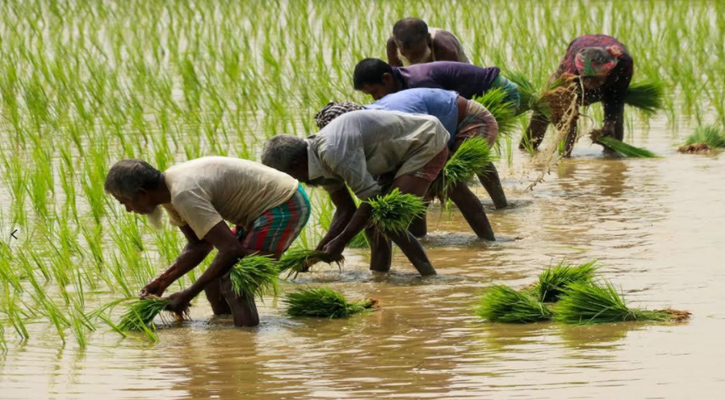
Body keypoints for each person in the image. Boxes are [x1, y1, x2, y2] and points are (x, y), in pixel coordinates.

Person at [104, 156, 311, 327]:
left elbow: (231, 249)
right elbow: (199, 245)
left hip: (284, 204)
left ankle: (245, 351)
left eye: (125, 203)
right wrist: (162, 281)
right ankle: (226, 331)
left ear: (141, 194)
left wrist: (187, 294)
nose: (129, 210)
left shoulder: (184, 193)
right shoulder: (169, 193)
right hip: (259, 212)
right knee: (213, 283)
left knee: (235, 285)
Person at [262, 110, 449, 276]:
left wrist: (341, 241)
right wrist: (316, 255)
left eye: (289, 176)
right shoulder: (318, 164)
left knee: (386, 220)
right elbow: (345, 210)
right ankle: (380, 277)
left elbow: (373, 200)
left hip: (424, 142)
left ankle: (430, 278)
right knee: (372, 226)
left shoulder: (333, 152)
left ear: (296, 165)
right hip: (392, 156)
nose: (295, 182)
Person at [314, 92, 502, 239]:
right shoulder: (366, 134)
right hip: (428, 139)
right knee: (415, 193)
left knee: (451, 185)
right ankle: (420, 238)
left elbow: (428, 133)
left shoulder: (386, 119)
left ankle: (488, 240)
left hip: (459, 126)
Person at [519, 34, 634, 157]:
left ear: (608, 70)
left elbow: (617, 96)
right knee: (545, 112)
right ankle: (542, 154)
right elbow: (565, 108)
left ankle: (612, 162)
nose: (591, 85)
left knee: (614, 126)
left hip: (610, 80)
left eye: (596, 80)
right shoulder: (570, 70)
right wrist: (563, 119)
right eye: (587, 80)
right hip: (572, 76)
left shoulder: (623, 64)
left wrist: (610, 121)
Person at [353, 58, 520, 109]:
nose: (376, 98)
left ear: (387, 78)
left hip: (501, 92)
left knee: (471, 147)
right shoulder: (402, 81)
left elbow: (450, 110)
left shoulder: (419, 82)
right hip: (479, 95)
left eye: (375, 92)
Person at [387, 17, 470, 67]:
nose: (410, 58)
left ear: (428, 40)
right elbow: (395, 76)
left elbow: (452, 80)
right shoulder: (393, 43)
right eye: (404, 53)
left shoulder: (445, 48)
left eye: (417, 54)